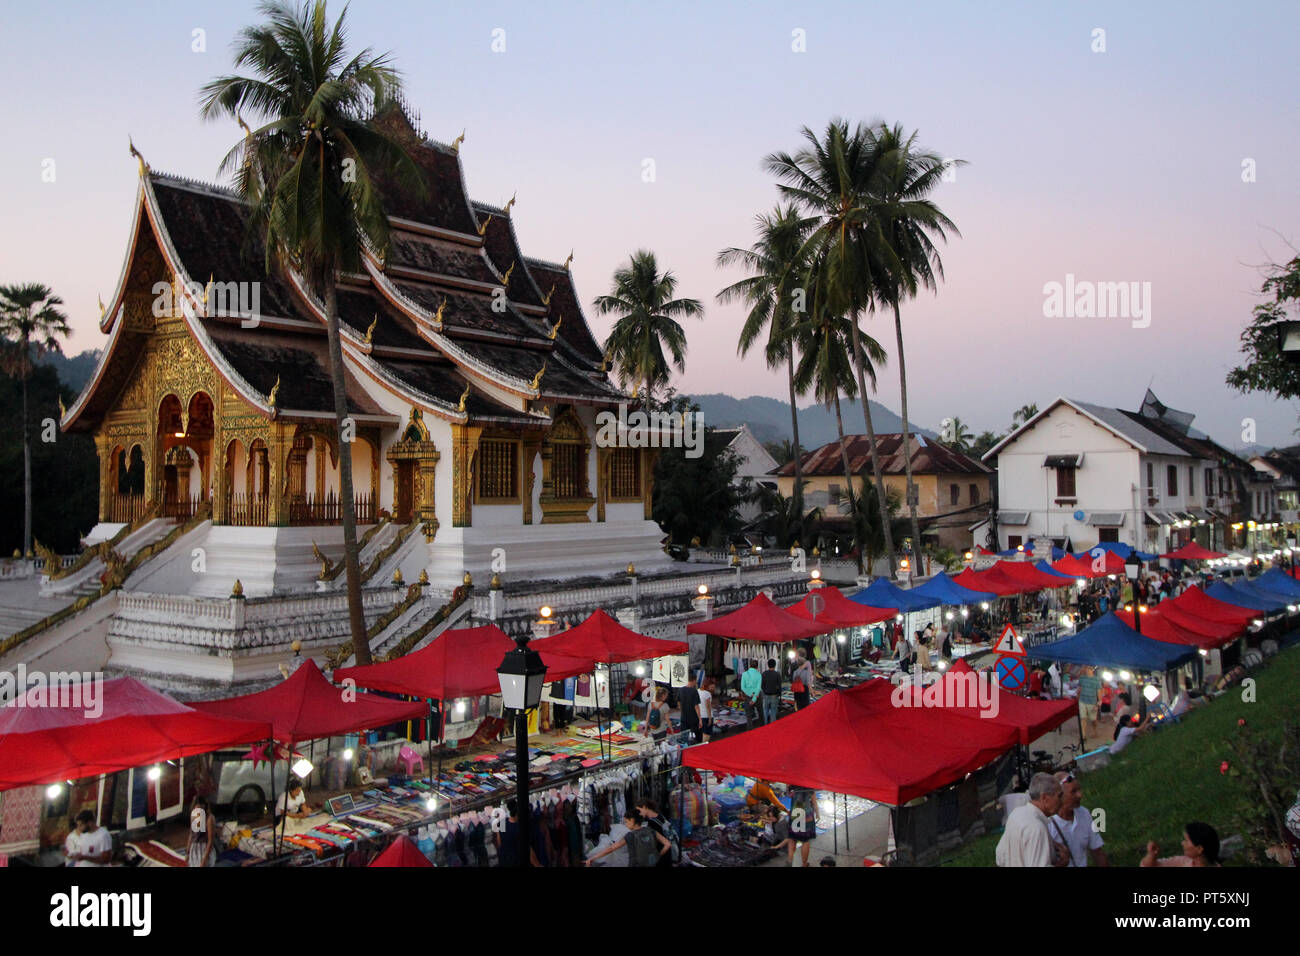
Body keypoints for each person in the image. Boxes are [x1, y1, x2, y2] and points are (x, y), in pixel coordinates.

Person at [995, 773, 1068, 867]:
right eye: (1059, 795)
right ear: (1045, 798)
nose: (1062, 800)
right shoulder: (1037, 828)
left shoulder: (1016, 814)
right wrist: (1063, 863)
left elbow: (1000, 858)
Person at [1050, 771, 1108, 867]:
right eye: (1073, 792)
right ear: (1059, 795)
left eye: (1079, 790)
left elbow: (1097, 851)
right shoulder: (1047, 824)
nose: (1080, 795)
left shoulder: (1084, 813)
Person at [585, 811, 671, 867]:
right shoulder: (651, 830)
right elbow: (667, 844)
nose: (625, 825)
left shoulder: (630, 835)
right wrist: (658, 856)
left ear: (632, 820)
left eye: (626, 822)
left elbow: (611, 848)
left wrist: (592, 858)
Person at [1141, 822, 1221, 867]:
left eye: (1186, 840)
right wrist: (1152, 854)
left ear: (1199, 849)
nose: (1182, 843)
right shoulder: (1183, 861)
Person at [495, 798, 541, 867]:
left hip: (504, 860)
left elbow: (499, 842)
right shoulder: (520, 828)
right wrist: (537, 865)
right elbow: (529, 850)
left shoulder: (502, 823)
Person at [636, 799, 677, 867]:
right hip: (668, 855)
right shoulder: (660, 816)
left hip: (661, 856)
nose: (639, 813)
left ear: (644, 807)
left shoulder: (651, 823)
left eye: (639, 810)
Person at [786, 785, 818, 867]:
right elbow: (813, 797)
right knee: (805, 840)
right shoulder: (808, 779)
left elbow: (789, 794)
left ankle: (790, 860)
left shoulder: (792, 777)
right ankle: (804, 864)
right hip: (806, 811)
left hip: (795, 809)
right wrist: (817, 812)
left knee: (792, 838)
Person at [188, 795, 217, 868]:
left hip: (204, 849)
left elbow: (210, 841)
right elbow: (191, 834)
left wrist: (204, 860)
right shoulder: (194, 815)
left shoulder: (209, 818)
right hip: (195, 848)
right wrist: (187, 852)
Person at [677, 673, 702, 742]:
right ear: (694, 680)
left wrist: (682, 710)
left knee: (684, 736)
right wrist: (700, 719)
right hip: (693, 717)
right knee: (698, 737)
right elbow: (696, 706)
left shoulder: (680, 690)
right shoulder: (694, 691)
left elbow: (678, 702)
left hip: (684, 717)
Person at [740, 659, 763, 728]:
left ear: (750, 665)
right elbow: (758, 688)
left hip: (748, 696)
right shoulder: (759, 675)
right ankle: (762, 729)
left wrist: (750, 694)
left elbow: (743, 687)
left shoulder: (744, 674)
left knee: (749, 716)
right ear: (757, 667)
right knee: (760, 713)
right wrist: (754, 698)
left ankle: (749, 731)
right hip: (757, 696)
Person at [761, 658, 782, 724]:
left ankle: (765, 724)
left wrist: (764, 691)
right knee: (773, 711)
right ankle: (772, 727)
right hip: (774, 695)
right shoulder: (777, 674)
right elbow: (779, 685)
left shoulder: (764, 673)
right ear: (775, 665)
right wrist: (779, 694)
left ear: (768, 665)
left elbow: (762, 685)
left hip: (766, 694)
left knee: (765, 711)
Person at [698, 677, 716, 742]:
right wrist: (710, 718)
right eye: (711, 687)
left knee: (702, 733)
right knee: (707, 735)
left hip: (700, 715)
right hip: (706, 716)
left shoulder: (698, 691)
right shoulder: (707, 693)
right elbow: (708, 707)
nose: (712, 689)